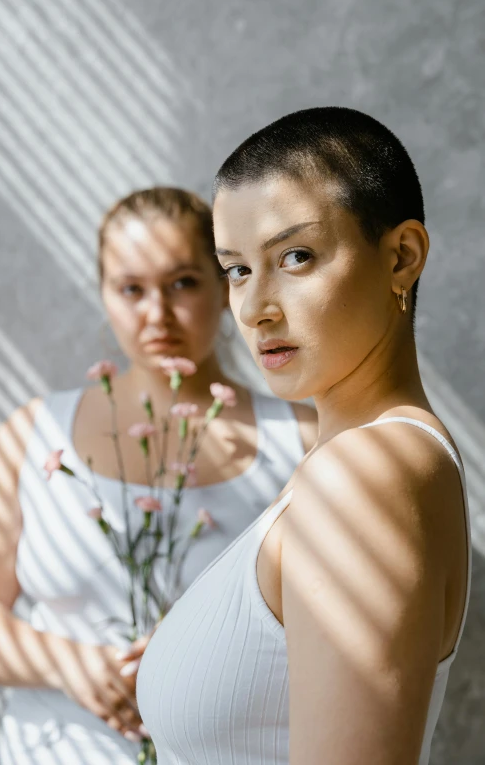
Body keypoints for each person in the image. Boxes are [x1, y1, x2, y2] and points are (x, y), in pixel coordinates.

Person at [136, 110, 471, 765]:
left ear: (401, 256)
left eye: (296, 256)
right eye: (236, 269)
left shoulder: (365, 477)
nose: (257, 307)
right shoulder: (355, 462)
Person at [0, 187, 317, 765]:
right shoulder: (35, 433)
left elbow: (340, 628)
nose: (156, 314)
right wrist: (63, 662)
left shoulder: (302, 439)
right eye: (131, 290)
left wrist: (200, 655)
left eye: (183, 283)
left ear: (226, 286)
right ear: (104, 295)